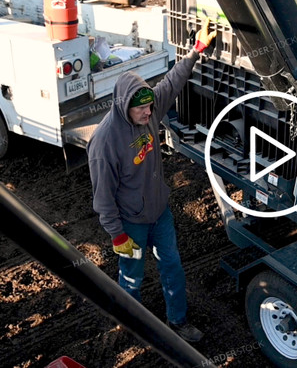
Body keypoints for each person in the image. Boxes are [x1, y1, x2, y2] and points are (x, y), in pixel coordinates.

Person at [87, 18, 217, 343]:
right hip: (131, 223)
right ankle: (132, 323)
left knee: (172, 266)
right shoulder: (105, 142)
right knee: (131, 277)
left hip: (160, 214)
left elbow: (172, 82)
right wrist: (117, 235)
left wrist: (195, 52)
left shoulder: (148, 108)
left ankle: (178, 322)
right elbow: (103, 197)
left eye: (150, 108)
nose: (149, 114)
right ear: (123, 106)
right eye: (142, 111)